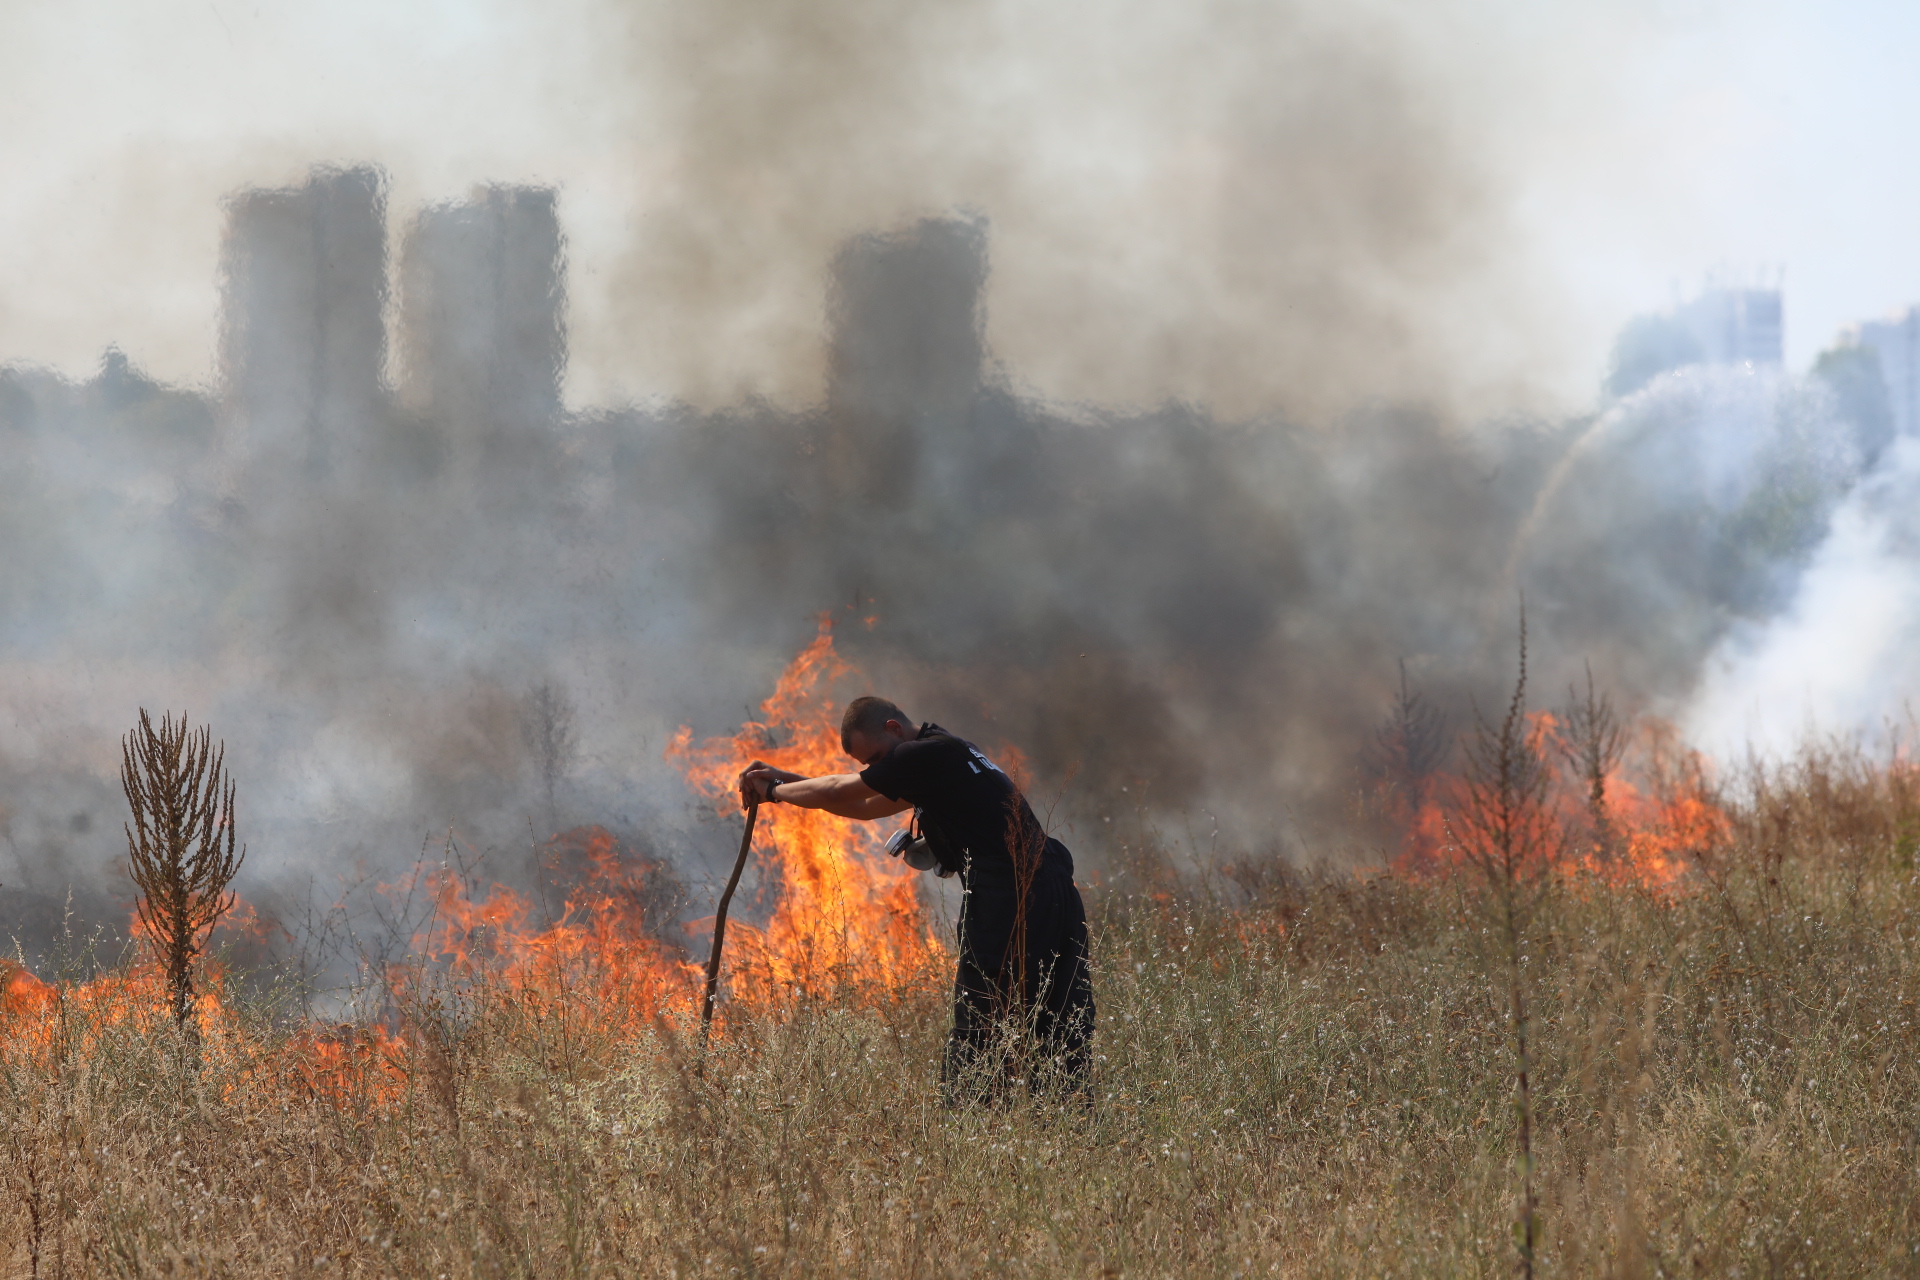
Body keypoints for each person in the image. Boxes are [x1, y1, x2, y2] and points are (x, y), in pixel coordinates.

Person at [739, 697, 1095, 1100]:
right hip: (1054, 886)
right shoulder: (944, 751)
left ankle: (969, 1129)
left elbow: (842, 790)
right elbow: (858, 806)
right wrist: (787, 779)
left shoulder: (920, 754)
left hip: (1008, 893)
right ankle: (1074, 1122)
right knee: (1062, 1019)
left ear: (893, 728)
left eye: (875, 758)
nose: (875, 770)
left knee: (980, 1020)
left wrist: (776, 790)